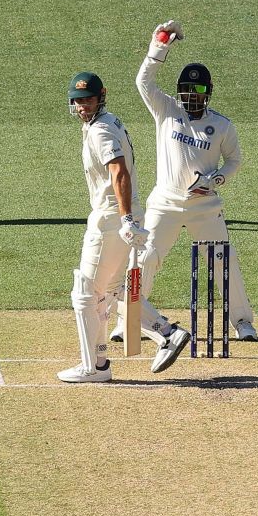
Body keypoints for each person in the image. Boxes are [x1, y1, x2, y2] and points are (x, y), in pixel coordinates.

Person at [114, 19, 256, 346]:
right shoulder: (165, 109)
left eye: (200, 91)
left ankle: (243, 321)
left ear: (209, 93)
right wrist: (159, 46)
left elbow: (234, 159)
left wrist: (217, 178)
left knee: (224, 261)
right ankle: (130, 321)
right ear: (179, 93)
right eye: (188, 91)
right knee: (144, 257)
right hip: (164, 202)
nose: (193, 96)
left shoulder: (221, 125)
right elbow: (143, 81)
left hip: (204, 207)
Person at [60, 72, 191, 383]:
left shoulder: (101, 130)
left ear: (100, 96)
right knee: (114, 289)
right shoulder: (105, 122)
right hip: (119, 217)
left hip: (110, 219)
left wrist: (126, 218)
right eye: (78, 101)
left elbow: (118, 171)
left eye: (88, 100)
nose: (82, 106)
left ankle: (93, 367)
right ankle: (167, 333)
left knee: (86, 293)